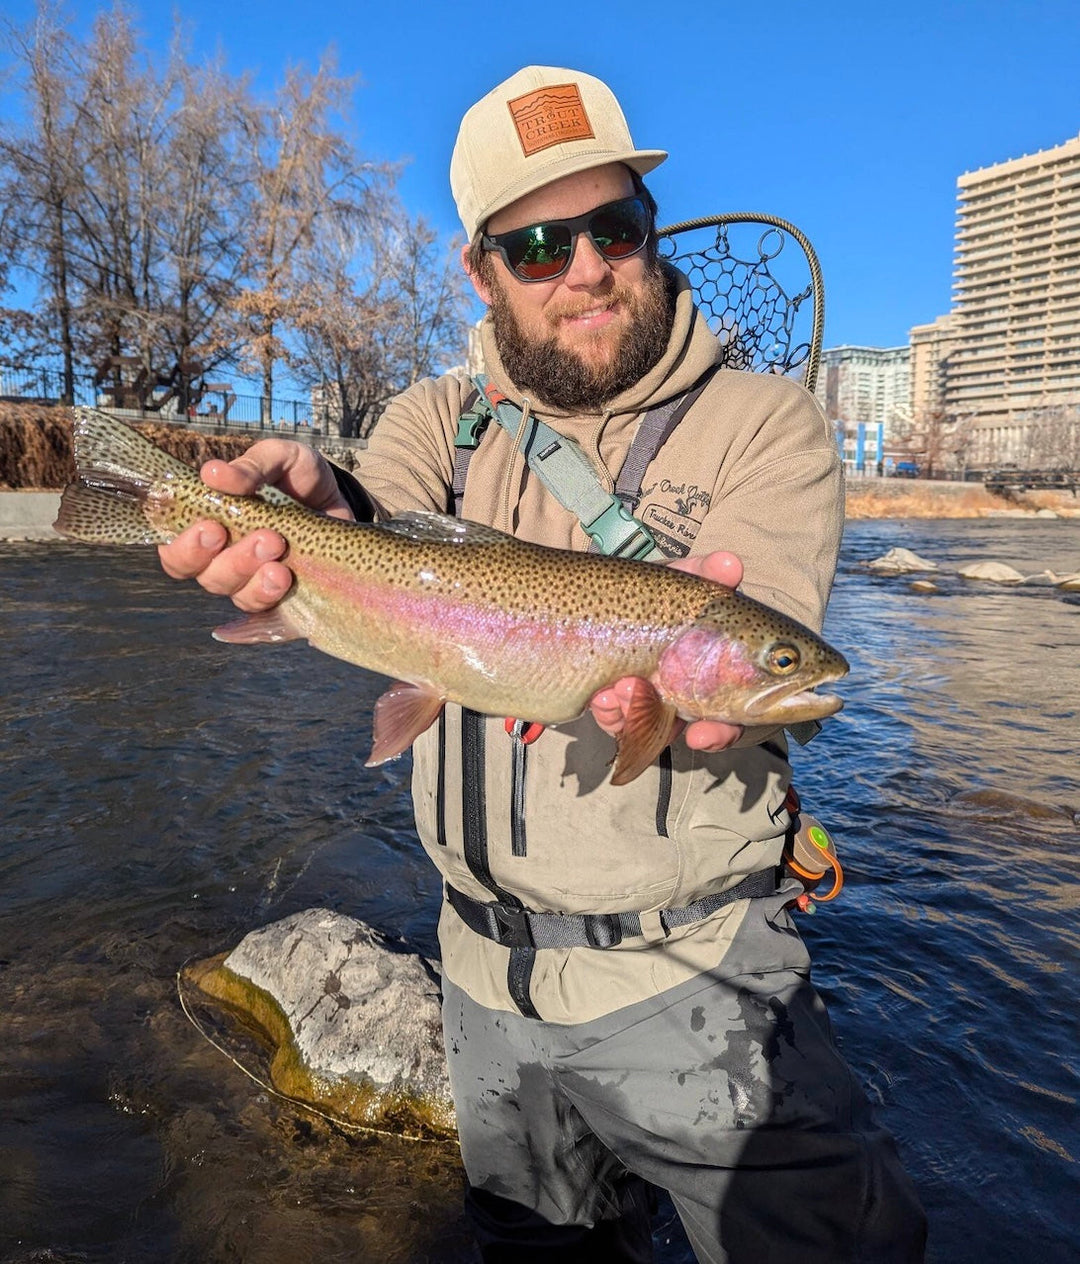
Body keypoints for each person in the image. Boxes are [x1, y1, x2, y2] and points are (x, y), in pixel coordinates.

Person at [160, 65, 926, 1263]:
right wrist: (304, 529)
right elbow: (372, 523)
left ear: (650, 229)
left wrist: (717, 680)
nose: (584, 267)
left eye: (613, 226)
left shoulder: (768, 423)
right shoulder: (431, 419)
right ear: (482, 269)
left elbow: (776, 648)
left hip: (701, 979)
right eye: (537, 245)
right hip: (482, 988)